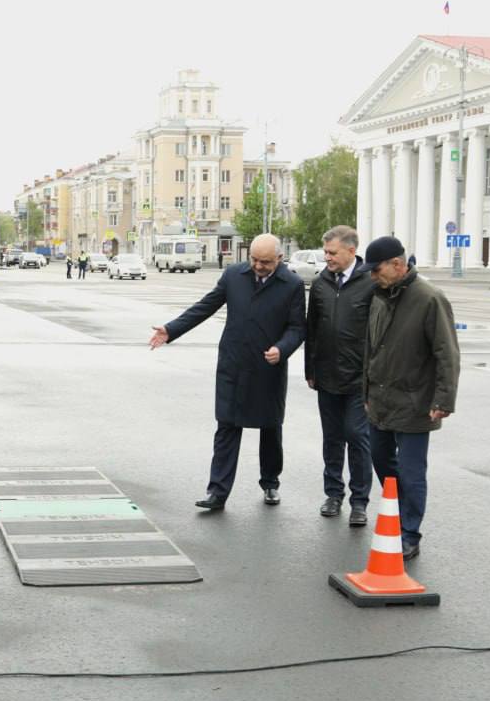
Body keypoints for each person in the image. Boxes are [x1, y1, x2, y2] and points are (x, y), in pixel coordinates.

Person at [149, 233, 306, 511]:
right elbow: (205, 307)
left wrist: (282, 349)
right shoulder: (234, 275)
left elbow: (297, 328)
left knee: (270, 428)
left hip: (268, 368)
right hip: (233, 365)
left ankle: (270, 482)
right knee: (226, 426)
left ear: (279, 260)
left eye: (266, 262)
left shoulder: (291, 284)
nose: (258, 266)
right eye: (254, 259)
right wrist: (171, 329)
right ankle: (217, 492)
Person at [362, 235, 460, 561]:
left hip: (416, 402)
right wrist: (366, 391)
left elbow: (447, 353)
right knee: (382, 461)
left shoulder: (429, 299)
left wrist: (443, 400)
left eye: (377, 270)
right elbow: (370, 349)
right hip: (380, 400)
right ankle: (396, 514)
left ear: (397, 264)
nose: (372, 277)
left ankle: (409, 533)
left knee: (411, 470)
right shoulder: (379, 297)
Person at [304, 225, 376, 526]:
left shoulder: (370, 283)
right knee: (332, 438)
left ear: (351, 250)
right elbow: (312, 329)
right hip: (327, 376)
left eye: (332, 253)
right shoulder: (321, 283)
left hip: (360, 378)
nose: (327, 257)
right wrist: (310, 369)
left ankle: (360, 501)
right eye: (326, 252)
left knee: (357, 436)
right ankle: (333, 494)